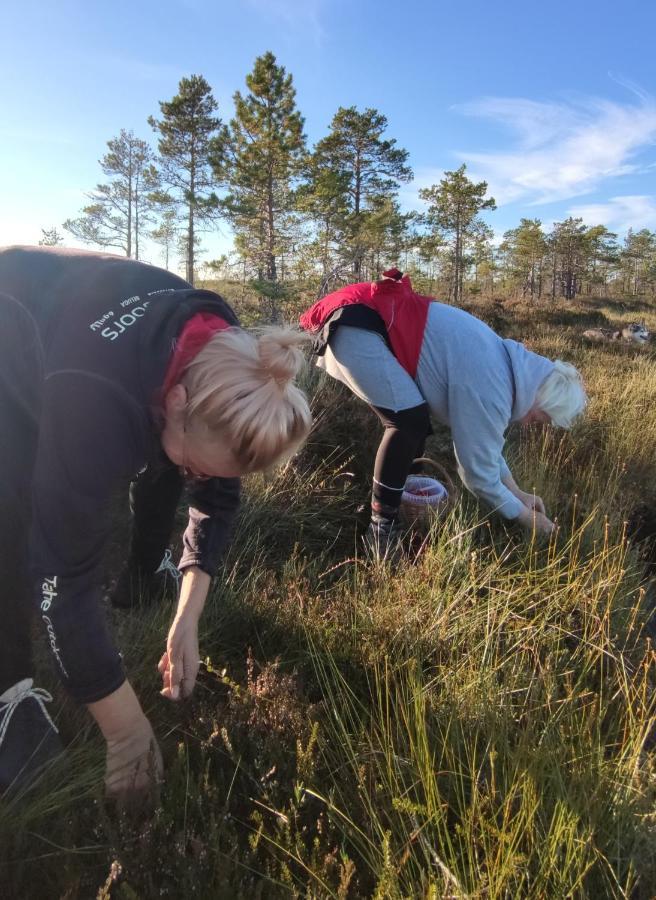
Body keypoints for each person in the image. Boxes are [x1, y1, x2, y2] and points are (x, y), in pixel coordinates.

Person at [0, 246, 311, 798]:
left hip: (101, 334)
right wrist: (126, 733)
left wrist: (186, 618)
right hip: (15, 318)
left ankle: (142, 577)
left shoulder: (234, 360)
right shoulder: (93, 403)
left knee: (170, 455)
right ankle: (9, 691)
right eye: (198, 465)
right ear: (176, 399)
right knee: (15, 507)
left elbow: (216, 497)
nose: (200, 476)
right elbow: (64, 580)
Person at [300, 268, 587, 559]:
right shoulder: (493, 387)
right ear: (542, 398)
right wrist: (526, 518)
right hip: (356, 323)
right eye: (541, 418)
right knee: (408, 421)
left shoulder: (512, 373)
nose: (532, 424)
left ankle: (397, 507)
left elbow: (486, 445)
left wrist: (518, 494)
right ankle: (381, 531)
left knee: (414, 419)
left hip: (364, 317)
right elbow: (478, 476)